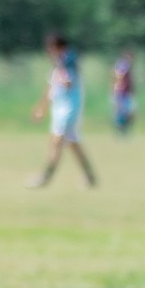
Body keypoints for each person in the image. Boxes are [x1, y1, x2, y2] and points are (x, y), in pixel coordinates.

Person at [30, 34, 98, 187]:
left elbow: (68, 82)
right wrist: (41, 107)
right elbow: (51, 88)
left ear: (57, 46)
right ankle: (90, 176)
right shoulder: (58, 63)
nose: (48, 51)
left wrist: (63, 74)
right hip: (59, 108)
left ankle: (46, 177)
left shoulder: (69, 61)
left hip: (69, 108)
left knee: (56, 141)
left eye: (50, 48)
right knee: (73, 143)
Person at [112, 52, 136, 134]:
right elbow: (119, 75)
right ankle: (121, 130)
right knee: (122, 112)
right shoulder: (124, 65)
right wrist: (120, 85)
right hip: (121, 92)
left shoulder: (124, 65)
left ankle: (123, 129)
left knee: (126, 112)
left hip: (125, 92)